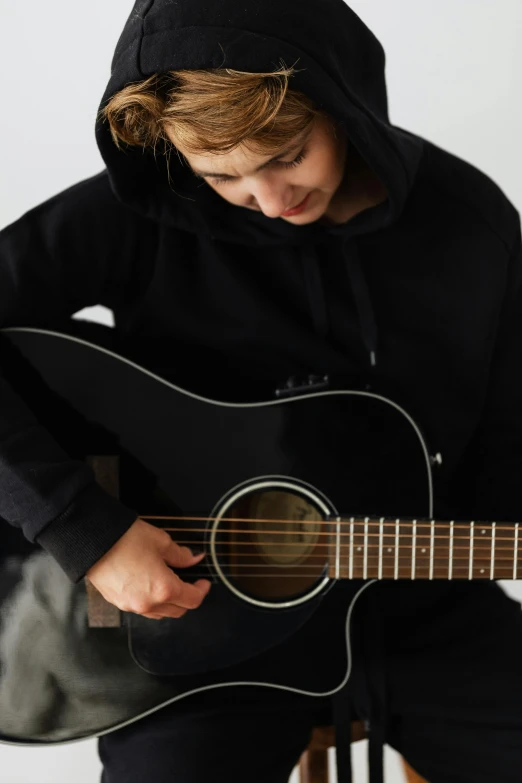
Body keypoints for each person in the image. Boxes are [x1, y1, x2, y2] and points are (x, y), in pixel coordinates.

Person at [1, 1, 522, 782]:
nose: (271, 198)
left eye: (287, 153)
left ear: (342, 100)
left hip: (419, 605)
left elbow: (505, 439)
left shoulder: (471, 223)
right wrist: (86, 528)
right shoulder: (141, 210)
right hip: (195, 639)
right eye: (222, 176)